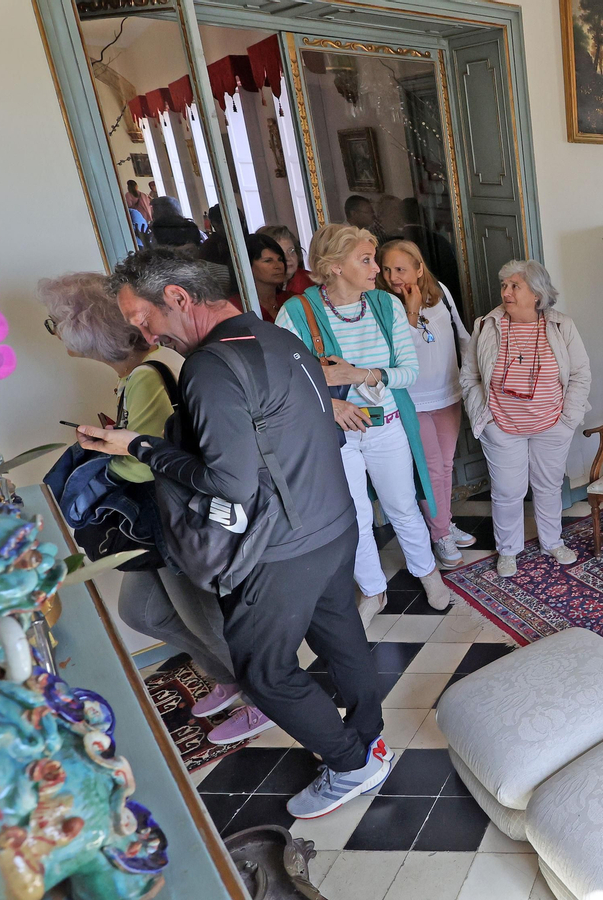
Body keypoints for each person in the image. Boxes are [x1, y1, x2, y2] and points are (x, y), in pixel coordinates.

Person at [78, 247, 389, 819]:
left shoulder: (211, 366)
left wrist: (140, 446)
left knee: (264, 669)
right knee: (341, 635)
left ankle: (353, 764)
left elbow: (228, 486)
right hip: (335, 522)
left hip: (283, 548)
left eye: (141, 317)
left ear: (176, 297)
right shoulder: (275, 336)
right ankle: (371, 736)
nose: (142, 332)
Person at [40, 271, 276, 745]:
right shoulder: (135, 378)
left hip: (170, 520)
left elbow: (152, 463)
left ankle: (263, 700)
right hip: (158, 523)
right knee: (141, 612)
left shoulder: (145, 378)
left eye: (58, 323)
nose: (58, 333)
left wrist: (104, 461)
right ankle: (228, 677)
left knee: (205, 621)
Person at [276, 223, 456, 616]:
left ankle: (427, 573)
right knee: (355, 516)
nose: (378, 269)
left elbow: (408, 373)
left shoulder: (385, 305)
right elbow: (284, 382)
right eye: (366, 260)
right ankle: (373, 590)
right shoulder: (297, 312)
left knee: (402, 506)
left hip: (387, 424)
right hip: (336, 433)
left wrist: (357, 374)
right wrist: (332, 405)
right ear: (335, 266)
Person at [459, 259, 591, 576]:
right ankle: (508, 550)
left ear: (536, 294)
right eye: (504, 285)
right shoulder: (486, 326)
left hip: (552, 424)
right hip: (502, 426)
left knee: (547, 486)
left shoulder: (562, 326)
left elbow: (580, 374)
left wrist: (567, 419)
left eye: (514, 286)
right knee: (507, 491)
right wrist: (485, 418)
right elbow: (470, 377)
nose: (506, 292)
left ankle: (552, 542)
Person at [377, 239, 475, 570]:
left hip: (447, 394)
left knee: (444, 466)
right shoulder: (383, 304)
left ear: (419, 268)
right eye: (387, 269)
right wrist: (412, 309)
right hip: (413, 401)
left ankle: (442, 525)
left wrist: (476, 376)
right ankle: (440, 535)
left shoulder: (442, 293)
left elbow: (462, 336)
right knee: (430, 468)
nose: (392, 276)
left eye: (400, 269)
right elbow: (393, 351)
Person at [257, 224, 316, 297]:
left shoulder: (313, 282)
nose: (288, 257)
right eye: (280, 252)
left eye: (291, 251)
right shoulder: (259, 287)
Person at [241, 233, 289, 322]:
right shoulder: (238, 307)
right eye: (268, 261)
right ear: (248, 266)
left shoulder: (291, 300)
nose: (278, 266)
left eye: (280, 260)